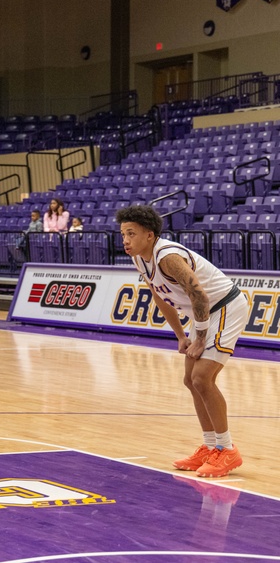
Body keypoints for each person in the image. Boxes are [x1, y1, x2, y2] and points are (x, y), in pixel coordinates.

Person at [116, 204, 248, 478]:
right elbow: (160, 296)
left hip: (225, 307)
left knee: (202, 378)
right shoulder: (140, 258)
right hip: (202, 315)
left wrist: (199, 337)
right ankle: (210, 446)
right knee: (190, 380)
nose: (126, 240)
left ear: (150, 235)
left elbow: (199, 294)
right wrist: (179, 335)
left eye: (131, 233)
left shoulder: (168, 257)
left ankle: (227, 450)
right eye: (123, 234)